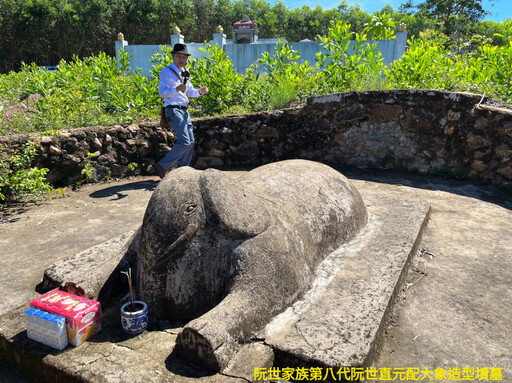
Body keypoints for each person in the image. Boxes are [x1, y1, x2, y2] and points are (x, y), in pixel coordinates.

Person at [153, 43, 208, 179]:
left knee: (191, 142)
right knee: (184, 141)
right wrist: (176, 89)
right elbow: (162, 93)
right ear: (173, 56)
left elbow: (190, 91)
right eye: (179, 56)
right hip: (173, 109)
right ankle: (162, 166)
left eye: (184, 57)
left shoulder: (185, 72)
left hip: (184, 110)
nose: (182, 59)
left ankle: (181, 172)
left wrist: (200, 92)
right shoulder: (166, 72)